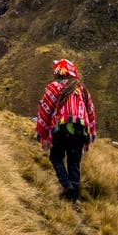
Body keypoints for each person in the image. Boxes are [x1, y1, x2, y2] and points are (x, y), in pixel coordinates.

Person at [35, 59, 97, 202]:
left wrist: (43, 134)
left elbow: (44, 111)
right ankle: (72, 198)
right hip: (81, 130)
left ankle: (66, 184)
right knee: (74, 162)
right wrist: (91, 132)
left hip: (61, 129)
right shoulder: (81, 89)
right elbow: (91, 111)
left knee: (56, 157)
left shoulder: (53, 87)